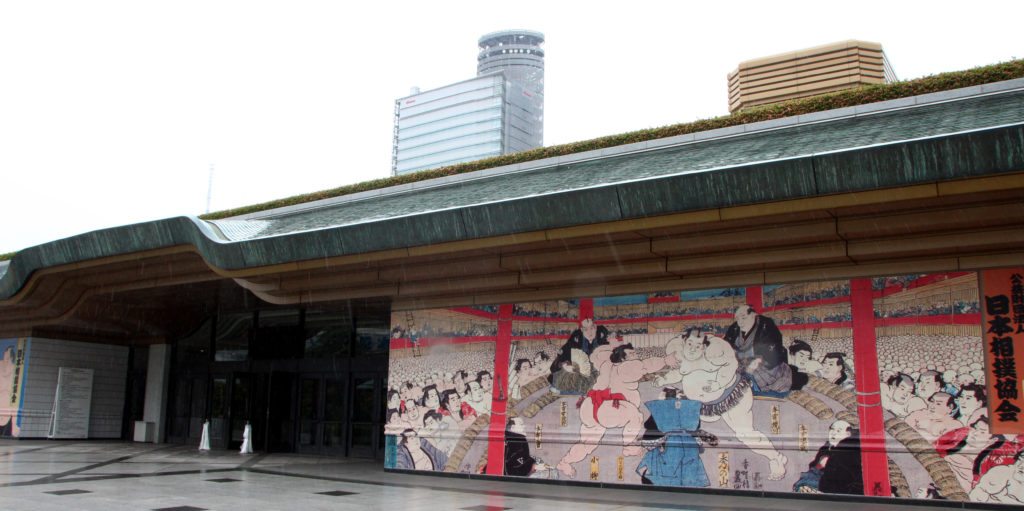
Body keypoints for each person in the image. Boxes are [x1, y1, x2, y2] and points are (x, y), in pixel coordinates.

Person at [657, 328, 788, 480]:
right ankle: (686, 441)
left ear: (704, 347)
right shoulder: (683, 357)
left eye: (698, 346)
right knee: (668, 397)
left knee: (745, 434)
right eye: (690, 344)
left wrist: (718, 383)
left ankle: (776, 458)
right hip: (707, 404)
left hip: (732, 396)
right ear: (684, 342)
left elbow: (730, 366)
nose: (692, 349)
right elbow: (681, 372)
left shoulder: (716, 354)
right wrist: (664, 379)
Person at [556, 342, 676, 478]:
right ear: (623, 358)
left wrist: (613, 345)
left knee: (587, 443)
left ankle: (565, 462)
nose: (635, 355)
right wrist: (666, 360)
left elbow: (598, 355)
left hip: (590, 407)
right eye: (631, 354)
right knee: (635, 415)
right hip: (608, 408)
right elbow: (644, 366)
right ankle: (630, 446)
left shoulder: (607, 365)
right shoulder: (625, 367)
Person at [636, 391, 710, 488]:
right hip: (685, 445)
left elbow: (649, 427)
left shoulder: (661, 408)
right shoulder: (691, 407)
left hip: (675, 446)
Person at [724, 305, 791, 395]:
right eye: (737, 319)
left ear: (753, 315)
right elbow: (726, 345)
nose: (740, 323)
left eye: (743, 318)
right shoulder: (735, 327)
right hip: (741, 364)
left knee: (756, 378)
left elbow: (774, 350)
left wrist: (757, 361)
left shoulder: (766, 325)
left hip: (765, 366)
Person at [793, 420, 864, 495]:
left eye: (838, 431)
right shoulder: (827, 448)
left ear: (848, 434)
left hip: (837, 489)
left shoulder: (848, 453)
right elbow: (814, 468)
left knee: (802, 484)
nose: (833, 433)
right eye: (832, 429)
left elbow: (834, 482)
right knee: (801, 485)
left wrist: (819, 467)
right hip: (825, 483)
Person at [548, 318, 610, 394]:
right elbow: (561, 358)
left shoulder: (603, 342)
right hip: (577, 372)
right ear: (581, 330)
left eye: (592, 328)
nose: (589, 332)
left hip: (596, 372)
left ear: (596, 327)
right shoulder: (574, 342)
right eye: (586, 329)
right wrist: (564, 364)